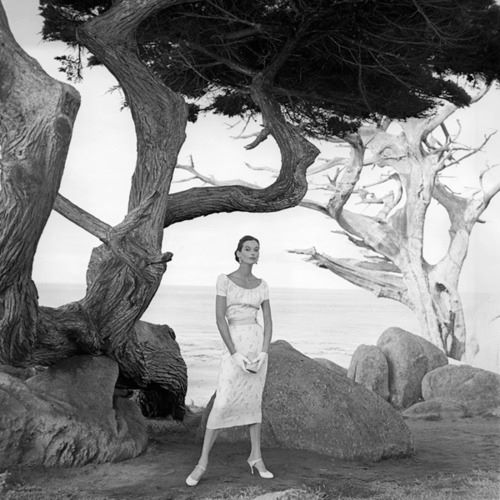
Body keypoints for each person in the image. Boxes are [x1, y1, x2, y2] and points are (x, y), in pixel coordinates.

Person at [186, 235, 274, 486]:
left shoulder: (262, 285)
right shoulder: (224, 280)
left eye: (256, 249)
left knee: (254, 402)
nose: (253, 253)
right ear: (238, 253)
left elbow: (268, 322)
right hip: (234, 345)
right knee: (223, 403)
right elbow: (219, 319)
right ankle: (202, 463)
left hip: (256, 345)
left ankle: (256, 457)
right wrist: (234, 353)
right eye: (248, 249)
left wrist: (264, 352)